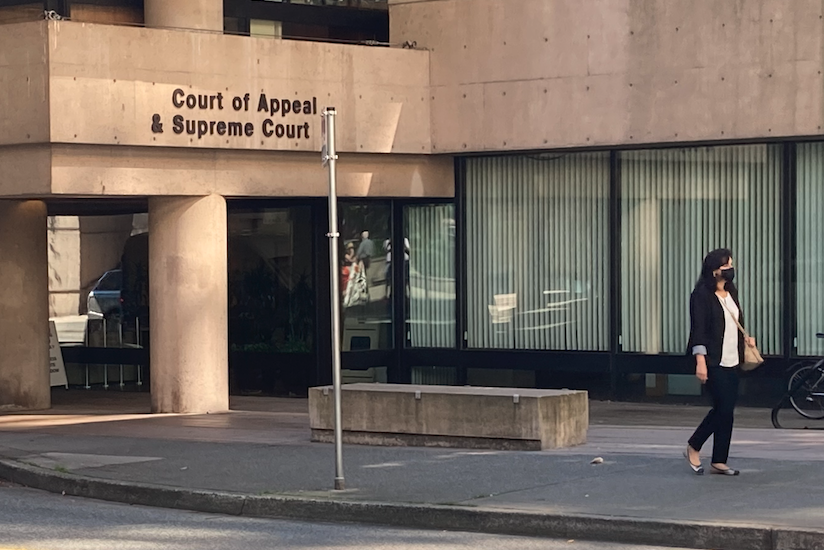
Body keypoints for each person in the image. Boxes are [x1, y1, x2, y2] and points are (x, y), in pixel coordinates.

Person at [685, 248, 756, 476]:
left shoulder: (731, 293)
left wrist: (746, 339)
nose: (730, 269)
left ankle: (719, 460)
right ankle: (694, 445)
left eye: (731, 265)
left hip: (733, 359)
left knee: (727, 410)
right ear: (714, 269)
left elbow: (734, 322)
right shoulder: (701, 295)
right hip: (713, 360)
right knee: (722, 408)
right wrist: (700, 361)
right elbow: (699, 331)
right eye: (726, 266)